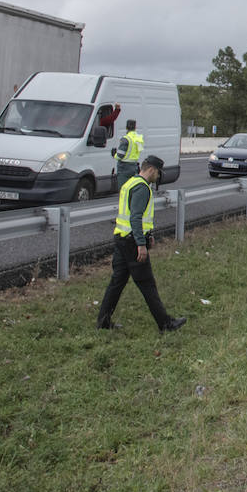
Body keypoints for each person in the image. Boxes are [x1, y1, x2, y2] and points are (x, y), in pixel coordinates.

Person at [97, 155, 187, 333]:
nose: (159, 176)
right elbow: (135, 217)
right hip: (132, 242)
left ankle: (103, 322)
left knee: (117, 282)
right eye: (158, 173)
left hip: (122, 238)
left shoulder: (130, 183)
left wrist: (149, 234)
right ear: (152, 169)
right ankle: (165, 324)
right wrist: (141, 244)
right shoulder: (142, 188)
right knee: (147, 284)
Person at [115, 119, 144, 189]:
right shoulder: (138, 138)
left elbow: (119, 155)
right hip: (134, 167)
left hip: (124, 168)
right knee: (132, 188)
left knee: (124, 189)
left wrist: (114, 154)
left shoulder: (126, 139)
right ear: (135, 127)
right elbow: (139, 150)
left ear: (126, 127)